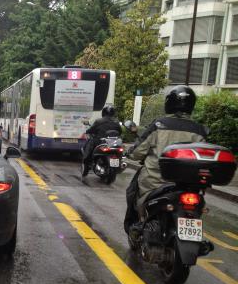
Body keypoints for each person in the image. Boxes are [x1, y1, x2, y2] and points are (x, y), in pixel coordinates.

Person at [124, 86, 208, 233]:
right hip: (188, 184)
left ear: (169, 103)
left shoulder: (159, 125)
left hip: (156, 181)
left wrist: (130, 153)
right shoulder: (199, 130)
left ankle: (138, 224)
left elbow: (138, 152)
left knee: (132, 192)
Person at [82, 105, 122, 177]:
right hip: (114, 143)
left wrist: (87, 131)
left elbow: (91, 130)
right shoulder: (116, 122)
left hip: (100, 142)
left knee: (89, 146)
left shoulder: (99, 121)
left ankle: (86, 164)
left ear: (103, 112)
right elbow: (120, 132)